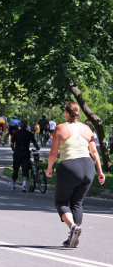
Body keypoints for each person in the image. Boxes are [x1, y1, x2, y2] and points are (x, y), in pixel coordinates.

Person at [45, 101, 105, 248]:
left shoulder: (60, 128)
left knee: (61, 202)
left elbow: (53, 152)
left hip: (69, 167)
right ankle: (73, 236)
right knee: (77, 203)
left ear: (66, 113)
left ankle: (73, 227)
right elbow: (94, 152)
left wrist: (49, 168)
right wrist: (100, 171)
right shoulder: (87, 129)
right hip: (88, 167)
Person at [9, 119, 40, 192]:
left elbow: (12, 144)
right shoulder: (29, 134)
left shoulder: (16, 133)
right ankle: (24, 184)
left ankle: (13, 184)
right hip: (26, 153)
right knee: (25, 169)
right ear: (26, 126)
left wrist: (14, 149)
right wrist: (38, 148)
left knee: (16, 168)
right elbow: (35, 143)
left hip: (17, 153)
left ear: (20, 125)